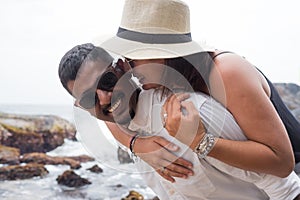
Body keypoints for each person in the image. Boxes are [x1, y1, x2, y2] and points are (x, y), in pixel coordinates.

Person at [58, 43, 300, 199]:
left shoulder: (188, 112)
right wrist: (135, 144)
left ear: (123, 69)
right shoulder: (122, 125)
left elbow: (284, 184)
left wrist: (200, 141)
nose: (104, 98)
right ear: (80, 106)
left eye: (107, 82)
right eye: (90, 98)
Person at [100, 0, 300, 179]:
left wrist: (199, 141)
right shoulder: (159, 78)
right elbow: (102, 111)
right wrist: (137, 145)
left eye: (133, 56)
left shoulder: (225, 72)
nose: (130, 67)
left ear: (165, 53)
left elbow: (282, 163)